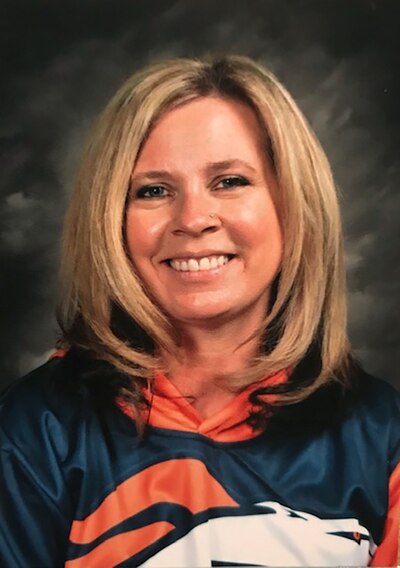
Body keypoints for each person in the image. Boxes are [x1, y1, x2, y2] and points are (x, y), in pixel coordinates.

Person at [0, 55, 399, 567]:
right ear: (111, 220)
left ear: (293, 202)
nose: (192, 219)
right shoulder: (32, 435)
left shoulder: (382, 437)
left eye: (230, 181)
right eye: (154, 191)